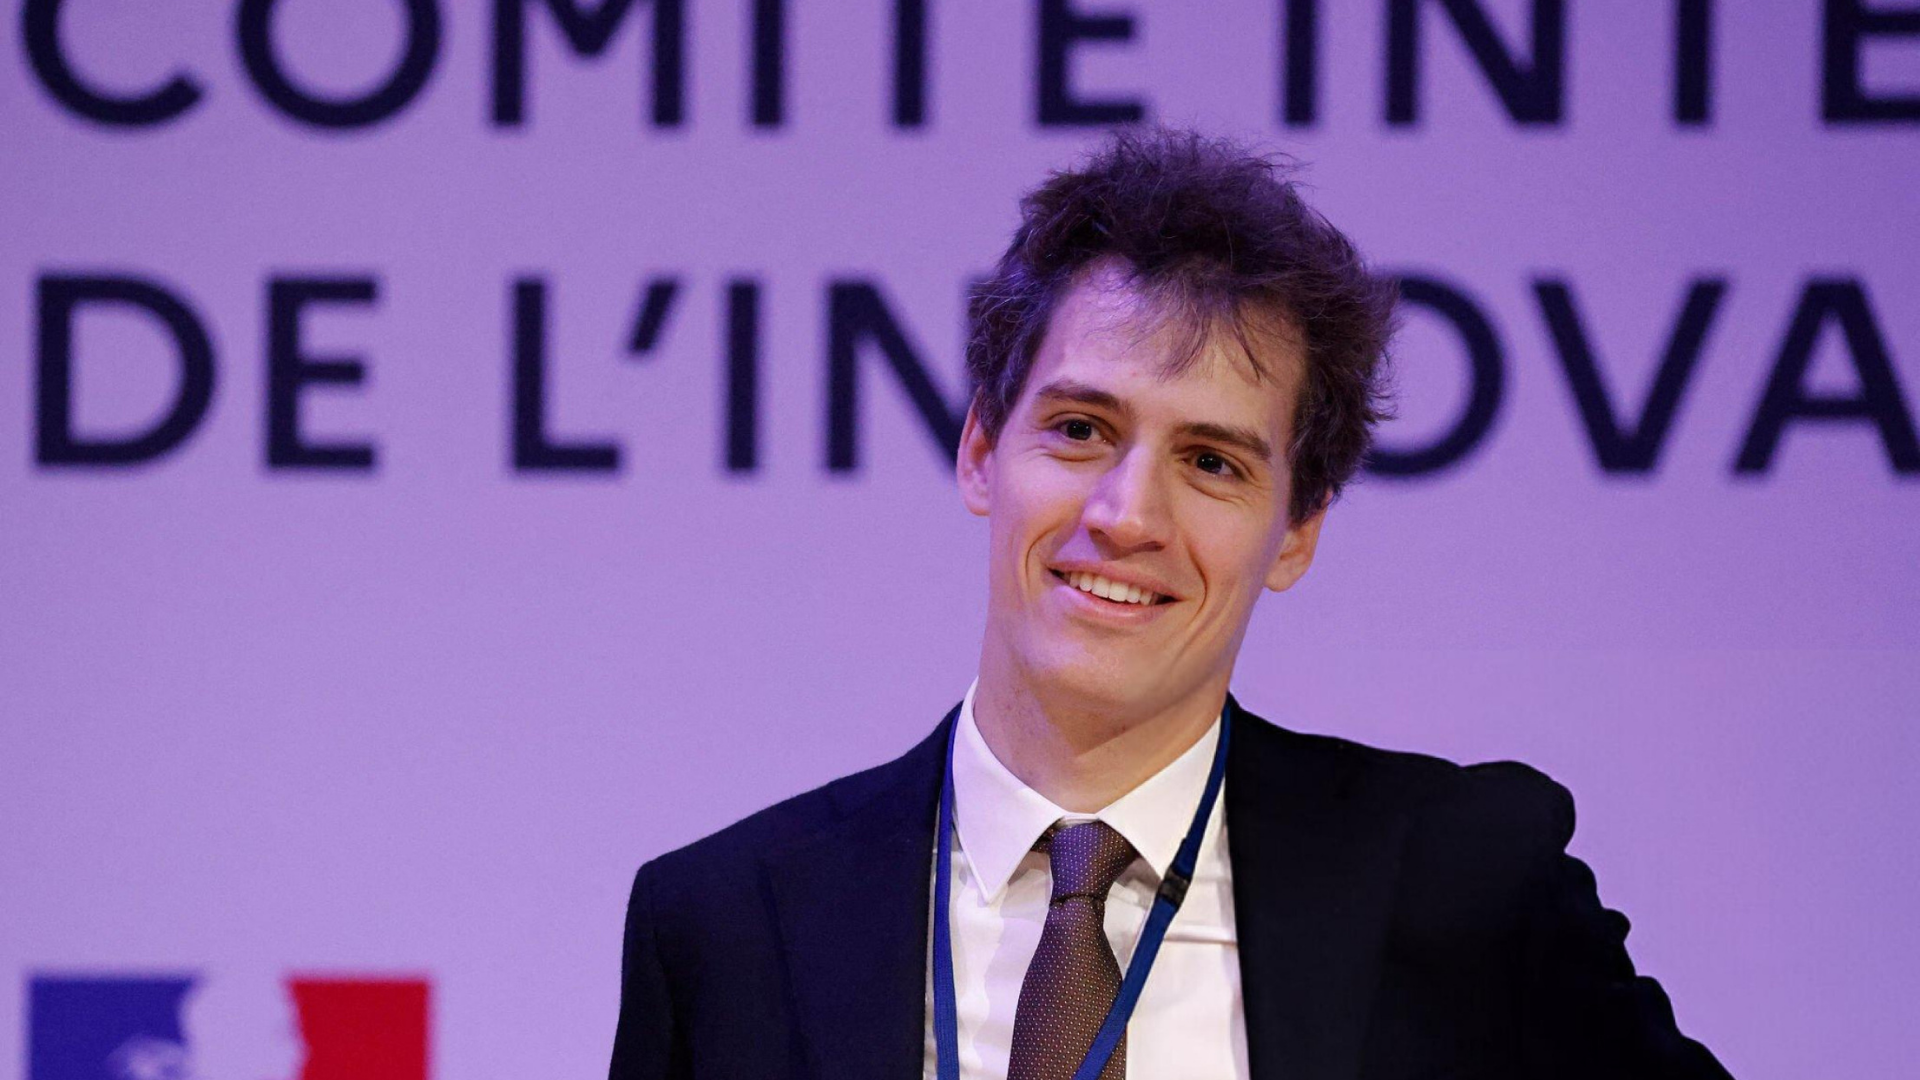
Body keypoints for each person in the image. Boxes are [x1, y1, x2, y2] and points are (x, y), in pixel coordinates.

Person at [606, 128, 1733, 1080]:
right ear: (982, 449)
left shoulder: (1463, 892)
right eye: (1080, 430)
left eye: (1212, 462)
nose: (1126, 515)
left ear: (1299, 529)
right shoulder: (726, 925)